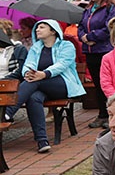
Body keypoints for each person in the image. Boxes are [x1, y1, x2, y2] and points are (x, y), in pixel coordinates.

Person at [5, 20, 85, 153]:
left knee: (35, 82)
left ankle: (8, 112)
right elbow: (27, 65)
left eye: (42, 27)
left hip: (62, 84)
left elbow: (62, 65)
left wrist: (44, 74)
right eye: (37, 28)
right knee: (33, 97)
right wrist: (28, 73)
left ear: (53, 31)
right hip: (40, 84)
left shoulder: (66, 46)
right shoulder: (36, 47)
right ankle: (42, 141)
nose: (37, 30)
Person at [78, 0, 115, 128]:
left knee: (108, 83)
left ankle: (113, 115)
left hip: (105, 50)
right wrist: (83, 36)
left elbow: (110, 27)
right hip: (90, 52)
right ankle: (102, 114)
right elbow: (81, 26)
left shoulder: (112, 8)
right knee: (97, 84)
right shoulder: (88, 9)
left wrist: (91, 37)